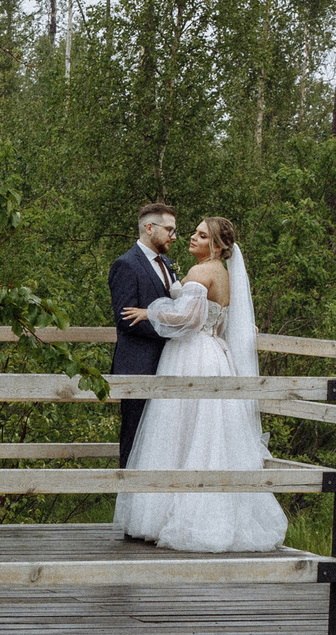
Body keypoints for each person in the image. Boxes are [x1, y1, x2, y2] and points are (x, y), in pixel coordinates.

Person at [116, 215, 288, 554]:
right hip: (216, 353)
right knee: (210, 431)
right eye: (193, 233)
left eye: (201, 235)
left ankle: (175, 515)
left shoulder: (200, 272)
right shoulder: (223, 275)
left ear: (217, 246)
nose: (192, 238)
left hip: (192, 353)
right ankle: (212, 512)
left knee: (179, 429)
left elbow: (188, 319)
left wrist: (150, 313)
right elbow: (220, 319)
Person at [107, 202, 178, 465]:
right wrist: (173, 332)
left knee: (162, 440)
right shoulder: (125, 265)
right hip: (138, 365)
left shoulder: (168, 263)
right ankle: (128, 500)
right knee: (134, 438)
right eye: (169, 229)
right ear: (149, 228)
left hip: (169, 364)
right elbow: (127, 320)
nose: (173, 235)